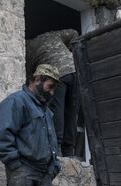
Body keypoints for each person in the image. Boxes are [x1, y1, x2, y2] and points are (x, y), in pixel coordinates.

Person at [26, 29, 80, 157]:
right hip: (75, 71)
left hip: (57, 76)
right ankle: (69, 150)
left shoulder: (28, 51)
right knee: (72, 113)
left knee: (57, 110)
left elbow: (32, 79)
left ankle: (58, 149)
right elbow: (74, 33)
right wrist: (71, 51)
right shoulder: (52, 34)